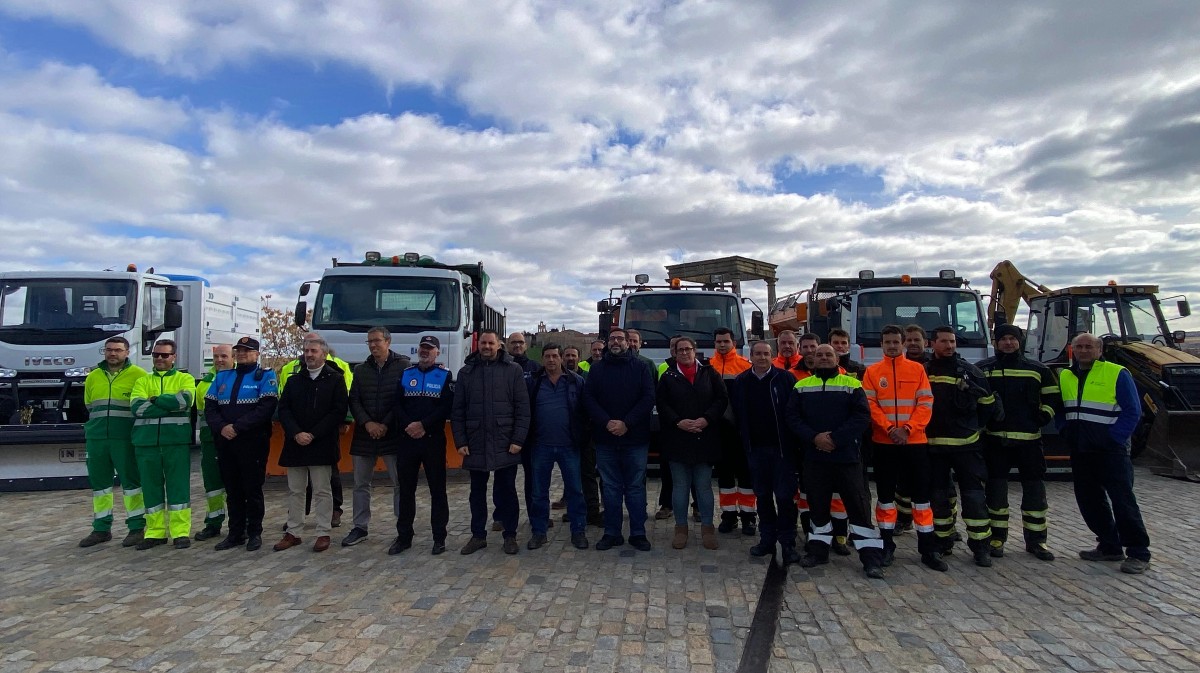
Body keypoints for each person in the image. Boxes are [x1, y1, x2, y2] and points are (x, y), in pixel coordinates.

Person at [787, 345, 884, 578]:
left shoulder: (852, 384)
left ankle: (871, 559)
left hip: (846, 457)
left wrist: (834, 438)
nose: (823, 358)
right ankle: (818, 552)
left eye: (828, 354)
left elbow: (862, 417)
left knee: (858, 508)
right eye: (818, 354)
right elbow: (792, 417)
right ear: (812, 358)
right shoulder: (801, 386)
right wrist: (814, 438)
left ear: (837, 358)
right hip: (814, 457)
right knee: (817, 508)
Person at [1058, 333, 1150, 574]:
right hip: (1081, 449)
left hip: (1111, 451)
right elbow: (1062, 408)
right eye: (1079, 346)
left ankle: (1138, 552)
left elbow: (1132, 411)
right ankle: (1109, 545)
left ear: (1099, 350)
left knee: (1123, 501)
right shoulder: (1066, 375)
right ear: (1072, 350)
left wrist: (1114, 439)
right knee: (1089, 500)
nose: (1084, 350)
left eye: (1089, 346)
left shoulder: (1117, 373)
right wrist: (1064, 430)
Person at [976, 324, 1060, 561]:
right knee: (996, 494)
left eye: (1013, 339)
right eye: (1004, 339)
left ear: (1020, 341)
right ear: (996, 342)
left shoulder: (1038, 369)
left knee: (1034, 493)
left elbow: (1053, 397)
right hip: (995, 441)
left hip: (1029, 442)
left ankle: (1037, 541)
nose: (1008, 343)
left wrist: (1044, 416)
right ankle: (997, 538)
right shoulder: (984, 369)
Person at [862, 325, 942, 571]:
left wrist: (907, 429)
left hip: (914, 442)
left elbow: (925, 402)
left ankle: (928, 549)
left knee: (921, 498)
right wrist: (889, 429)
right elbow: (870, 405)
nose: (893, 346)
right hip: (885, 443)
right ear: (882, 345)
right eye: (888, 342)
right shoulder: (872, 372)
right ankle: (886, 546)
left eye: (896, 342)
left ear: (903, 343)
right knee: (886, 498)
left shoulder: (917, 370)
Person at [925, 325, 1002, 568]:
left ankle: (980, 546)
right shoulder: (923, 372)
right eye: (944, 342)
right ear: (932, 344)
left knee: (974, 498)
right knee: (938, 498)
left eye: (952, 342)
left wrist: (973, 429)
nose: (949, 346)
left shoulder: (971, 373)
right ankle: (942, 541)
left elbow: (988, 406)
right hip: (934, 447)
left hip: (966, 447)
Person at [453, 330, 531, 555]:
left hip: (505, 441)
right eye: (484, 343)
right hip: (475, 442)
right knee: (476, 493)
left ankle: (510, 535)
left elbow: (522, 409)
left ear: (499, 345)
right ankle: (478, 536)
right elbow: (458, 411)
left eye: (491, 343)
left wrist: (518, 439)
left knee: (507, 491)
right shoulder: (467, 372)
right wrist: (460, 441)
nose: (486, 346)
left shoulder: (513, 370)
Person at [582, 327, 656, 552]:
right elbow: (589, 399)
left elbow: (648, 398)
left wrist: (627, 423)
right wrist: (607, 422)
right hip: (605, 439)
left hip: (635, 439)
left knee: (635, 487)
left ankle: (638, 533)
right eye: (612, 338)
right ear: (607, 343)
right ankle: (612, 532)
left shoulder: (641, 367)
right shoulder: (597, 370)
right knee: (611, 488)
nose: (616, 341)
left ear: (628, 343)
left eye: (620, 338)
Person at [275, 336, 348, 553]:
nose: (309, 355)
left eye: (313, 351)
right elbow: (284, 409)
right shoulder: (294, 379)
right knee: (295, 490)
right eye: (306, 351)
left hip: (322, 443)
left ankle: (323, 532)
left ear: (324, 354)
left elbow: (338, 411)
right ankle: (293, 531)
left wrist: (313, 434)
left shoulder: (335, 379)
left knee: (322, 491)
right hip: (295, 443)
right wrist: (297, 433)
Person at [205, 336, 278, 552]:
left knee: (252, 489)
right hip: (225, 442)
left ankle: (254, 532)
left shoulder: (265, 376)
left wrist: (237, 427)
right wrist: (222, 428)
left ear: (256, 354)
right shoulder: (222, 377)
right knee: (232, 489)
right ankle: (235, 533)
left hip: (252, 441)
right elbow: (210, 407)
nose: (242, 354)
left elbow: (265, 408)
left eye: (247, 351)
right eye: (239, 351)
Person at [732, 340, 800, 563]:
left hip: (782, 449)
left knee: (784, 497)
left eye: (766, 354)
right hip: (755, 449)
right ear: (750, 356)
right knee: (762, 496)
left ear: (773, 355)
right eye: (758, 354)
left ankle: (788, 542)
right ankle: (767, 539)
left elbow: (793, 412)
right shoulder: (741, 381)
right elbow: (737, 413)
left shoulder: (785, 379)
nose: (762, 357)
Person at [657, 336, 726, 551]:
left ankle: (707, 528)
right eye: (680, 350)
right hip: (678, 438)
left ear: (695, 350)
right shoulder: (668, 376)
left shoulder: (709, 372)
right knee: (680, 486)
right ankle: (681, 529)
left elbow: (721, 399)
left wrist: (706, 419)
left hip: (704, 437)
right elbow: (662, 404)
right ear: (674, 353)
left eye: (688, 349)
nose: (685, 353)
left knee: (704, 486)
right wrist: (678, 421)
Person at [343, 326, 410, 548]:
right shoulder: (361, 370)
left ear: (388, 342)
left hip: (393, 434)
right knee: (361, 484)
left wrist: (385, 424)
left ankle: (403, 527)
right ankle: (360, 527)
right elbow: (354, 400)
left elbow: (402, 399)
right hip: (365, 435)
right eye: (369, 342)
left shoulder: (403, 366)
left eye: (377, 341)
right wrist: (368, 423)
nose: (373, 345)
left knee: (400, 482)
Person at [79, 336, 147, 548]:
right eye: (109, 350)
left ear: (127, 352)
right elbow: (90, 405)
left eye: (118, 350)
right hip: (97, 438)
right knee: (100, 487)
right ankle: (101, 528)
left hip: (124, 438)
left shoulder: (139, 376)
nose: (112, 354)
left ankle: (136, 527)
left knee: (131, 484)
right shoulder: (93, 377)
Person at [130, 339, 196, 550]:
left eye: (164, 355)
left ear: (173, 357)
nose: (159, 358)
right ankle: (155, 532)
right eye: (156, 355)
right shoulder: (142, 380)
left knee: (179, 489)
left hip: (175, 441)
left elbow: (184, 402)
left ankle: (180, 532)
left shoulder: (184, 378)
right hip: (146, 443)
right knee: (151, 489)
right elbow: (137, 409)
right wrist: (168, 404)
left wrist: (155, 400)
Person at [393, 335, 454, 556]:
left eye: (430, 349)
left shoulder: (445, 376)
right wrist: (409, 425)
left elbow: (446, 407)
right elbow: (397, 403)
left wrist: (424, 425)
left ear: (438, 352)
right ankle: (404, 537)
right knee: (406, 490)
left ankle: (439, 537)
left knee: (438, 491)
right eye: (423, 348)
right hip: (407, 439)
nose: (425, 352)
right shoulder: (406, 374)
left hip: (432, 440)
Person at [526, 343, 590, 550]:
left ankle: (578, 531)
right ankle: (539, 531)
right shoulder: (533, 382)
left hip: (569, 445)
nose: (551, 360)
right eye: (547, 356)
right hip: (541, 445)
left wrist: (581, 436)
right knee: (539, 492)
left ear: (561, 358)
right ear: (542, 359)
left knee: (575, 491)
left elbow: (584, 411)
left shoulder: (576, 381)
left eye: (555, 356)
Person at [710, 327, 756, 535]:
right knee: (725, 477)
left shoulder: (746, 366)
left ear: (733, 344)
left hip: (741, 431)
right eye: (718, 341)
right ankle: (728, 516)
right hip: (718, 432)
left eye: (725, 341)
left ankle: (749, 517)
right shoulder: (707, 366)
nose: (722, 345)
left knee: (746, 477)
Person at [193, 344, 232, 541]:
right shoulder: (203, 384)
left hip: (235, 439)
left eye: (224, 356)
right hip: (210, 441)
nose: (219, 360)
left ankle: (240, 523)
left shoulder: (240, 379)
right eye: (216, 356)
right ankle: (213, 522)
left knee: (237, 483)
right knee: (213, 484)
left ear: (233, 358)